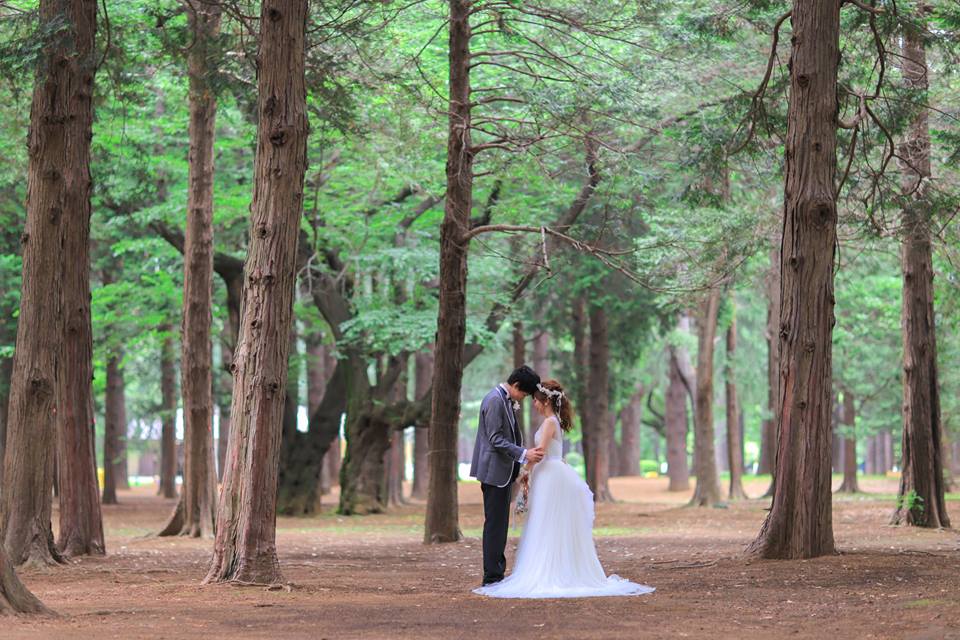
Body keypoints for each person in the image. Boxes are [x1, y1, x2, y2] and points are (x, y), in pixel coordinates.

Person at [474, 379, 655, 598]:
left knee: (547, 522)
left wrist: (525, 471)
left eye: (536, 401)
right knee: (546, 522)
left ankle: (549, 570)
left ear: (546, 401)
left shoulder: (550, 423)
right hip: (550, 473)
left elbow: (540, 452)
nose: (534, 405)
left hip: (550, 475)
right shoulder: (553, 421)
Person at [470, 365, 544, 586]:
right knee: (495, 524)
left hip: (503, 471)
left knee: (500, 524)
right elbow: (495, 438)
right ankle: (492, 577)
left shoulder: (505, 400)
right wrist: (523, 453)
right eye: (523, 394)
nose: (522, 399)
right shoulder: (494, 400)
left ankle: (497, 572)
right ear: (516, 385)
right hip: (494, 472)